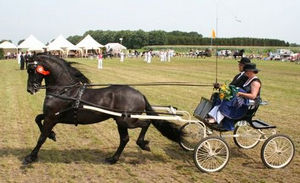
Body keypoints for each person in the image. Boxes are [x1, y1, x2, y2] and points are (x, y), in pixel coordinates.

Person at [207, 63, 261, 130]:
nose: (245, 72)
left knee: (229, 100)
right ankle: (213, 116)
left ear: (252, 71)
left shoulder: (255, 82)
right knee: (222, 97)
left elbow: (253, 96)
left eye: (246, 71)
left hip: (249, 102)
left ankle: (217, 119)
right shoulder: (248, 79)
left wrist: (240, 94)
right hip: (242, 98)